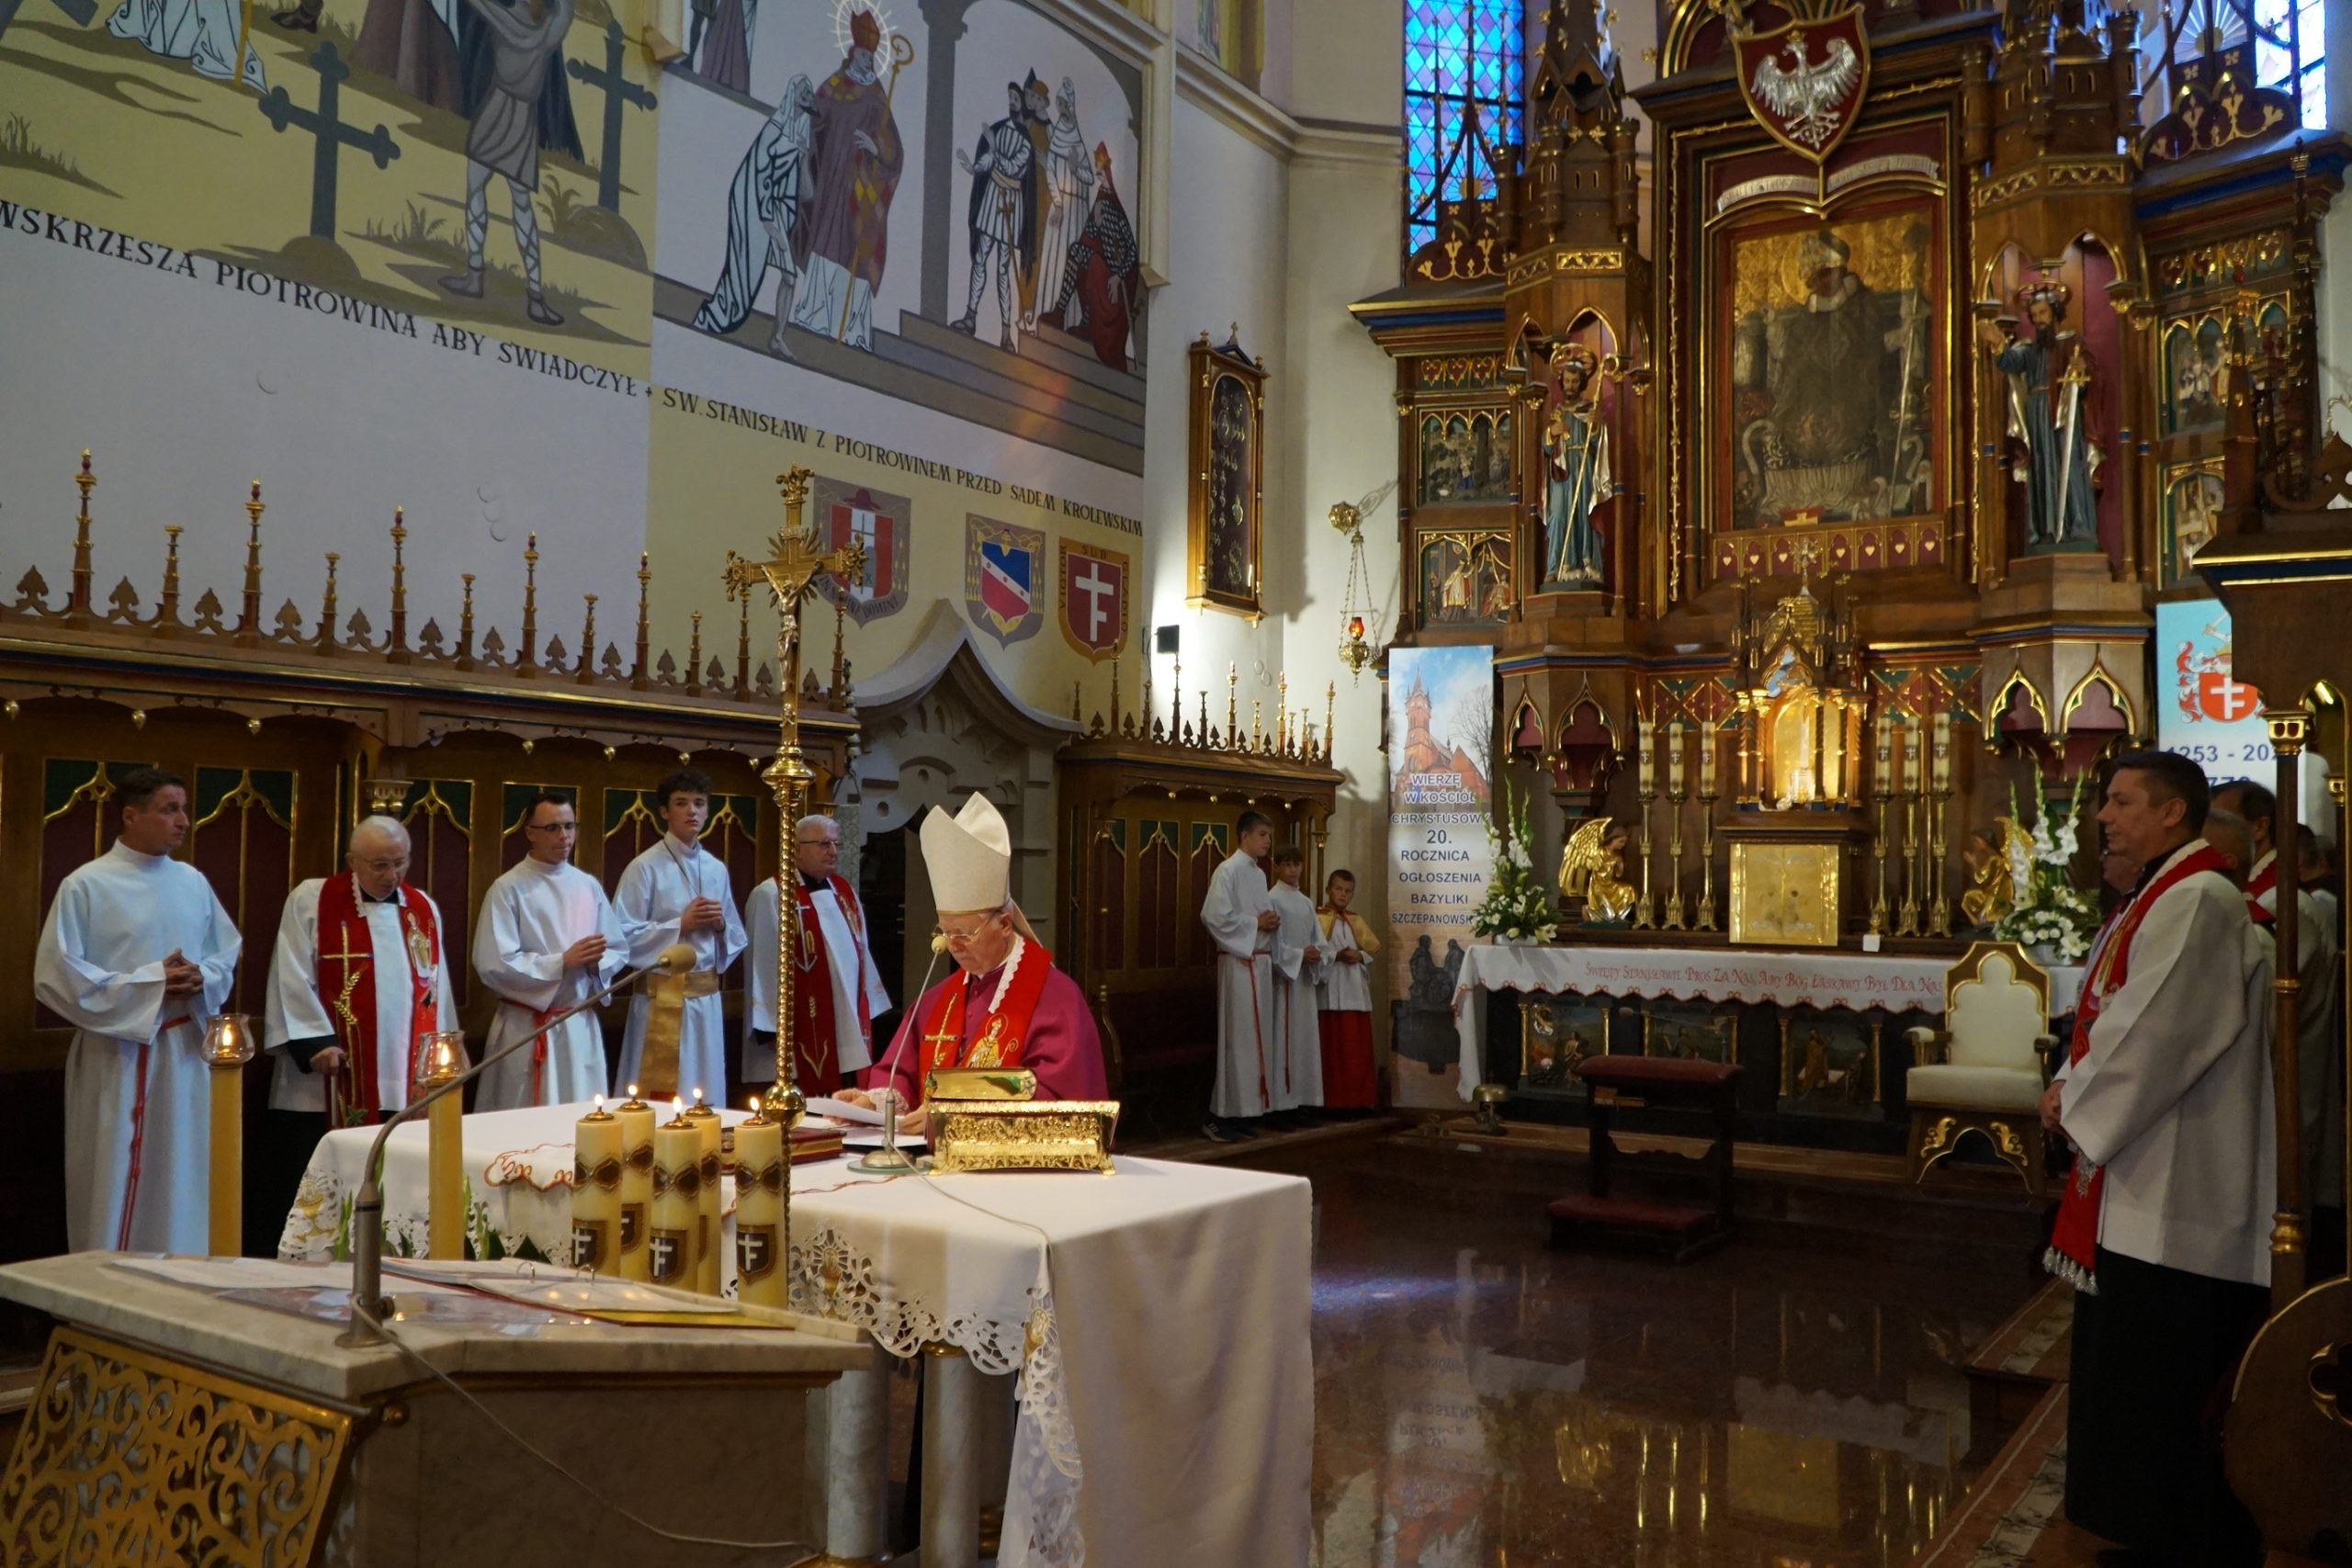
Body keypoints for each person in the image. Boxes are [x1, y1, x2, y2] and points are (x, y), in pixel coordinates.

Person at [2040, 751, 2273, 1566]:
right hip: (2143, 1167)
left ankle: (2181, 1542)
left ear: (2172, 812)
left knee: (2165, 1373)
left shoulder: (2198, 897)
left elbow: (2157, 1032)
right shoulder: (2161, 893)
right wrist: (2072, 1080)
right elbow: (2108, 1013)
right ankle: (2151, 1533)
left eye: (2120, 800)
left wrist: (2073, 1099)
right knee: (2136, 1373)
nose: (2103, 815)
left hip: (2179, 1180)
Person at [35, 768, 241, 1253]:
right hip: (116, 1055)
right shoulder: (86, 885)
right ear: (131, 816)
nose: (184, 821)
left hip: (184, 1053)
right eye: (170, 810)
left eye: (183, 809)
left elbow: (225, 952)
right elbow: (57, 975)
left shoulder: (192, 882)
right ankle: (107, 1280)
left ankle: (184, 1274)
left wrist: (201, 977)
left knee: (182, 1174)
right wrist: (152, 982)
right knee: (111, 1176)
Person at [842, 794, 1104, 1132]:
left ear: (1005, 925)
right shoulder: (936, 1001)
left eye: (964, 933)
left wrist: (955, 1116)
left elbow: (1057, 1100)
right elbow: (901, 1072)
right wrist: (877, 1103)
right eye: (945, 931)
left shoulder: (1056, 1000)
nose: (952, 945)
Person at [472, 791, 628, 1109]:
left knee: (582, 1118)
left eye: (569, 826)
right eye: (552, 828)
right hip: (527, 1028)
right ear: (530, 832)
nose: (564, 836)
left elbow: (616, 948)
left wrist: (596, 963)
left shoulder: (587, 885)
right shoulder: (508, 888)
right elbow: (493, 963)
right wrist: (561, 962)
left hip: (577, 1025)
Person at [440, 0, 576, 326]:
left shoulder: (511, 21)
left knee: (490, 194)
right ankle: (530, 295)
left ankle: (485, 279)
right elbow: (565, 11)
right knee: (508, 200)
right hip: (512, 114)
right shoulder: (547, 32)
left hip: (505, 112)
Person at [615, 770, 746, 1103]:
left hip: (705, 1001)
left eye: (699, 803)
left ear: (708, 810)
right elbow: (621, 937)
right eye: (681, 803)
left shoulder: (715, 868)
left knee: (703, 1087)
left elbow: (734, 936)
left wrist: (719, 926)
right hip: (660, 999)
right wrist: (680, 925)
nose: (692, 811)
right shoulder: (644, 867)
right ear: (664, 811)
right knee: (658, 1095)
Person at [744, 814, 891, 1097]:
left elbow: (862, 952)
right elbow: (762, 963)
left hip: (845, 1021)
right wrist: (770, 1025)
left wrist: (868, 1004)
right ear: (796, 849)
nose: (833, 851)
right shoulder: (772, 894)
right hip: (796, 1029)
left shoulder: (844, 891)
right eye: (824, 844)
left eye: (836, 843)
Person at [788, 8, 905, 351]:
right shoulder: (836, 85)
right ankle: (817, 315)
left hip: (861, 188)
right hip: (831, 181)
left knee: (857, 248)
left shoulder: (877, 95)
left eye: (873, 56)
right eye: (865, 55)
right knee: (826, 241)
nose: (870, 62)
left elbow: (894, 149)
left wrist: (876, 148)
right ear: (854, 52)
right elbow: (816, 116)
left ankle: (852, 329)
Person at [693, 76, 814, 355]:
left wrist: (804, 156)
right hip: (757, 208)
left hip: (778, 211)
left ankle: (777, 337)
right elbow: (759, 174)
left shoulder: (798, 136)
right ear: (793, 95)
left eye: (810, 94)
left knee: (790, 277)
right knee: (743, 274)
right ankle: (715, 316)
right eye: (803, 92)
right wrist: (768, 222)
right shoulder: (774, 129)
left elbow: (806, 193)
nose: (808, 97)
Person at [1982, 277, 2104, 550]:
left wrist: (2081, 369)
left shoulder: (2072, 342)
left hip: (2062, 415)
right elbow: (2010, 361)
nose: (2038, 320)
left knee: (2069, 468)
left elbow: (2092, 377)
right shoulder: (2029, 349)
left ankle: (2078, 528)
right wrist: (1998, 343)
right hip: (2037, 417)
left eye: (2043, 313)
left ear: (2055, 313)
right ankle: (2044, 530)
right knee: (2041, 472)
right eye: (2034, 315)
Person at [1201, 810, 1281, 1143]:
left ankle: (1245, 1112)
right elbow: (1213, 915)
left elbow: (1257, 917)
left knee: (1256, 1043)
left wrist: (1270, 923)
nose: (1267, 841)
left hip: (1259, 964)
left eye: (1269, 835)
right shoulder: (1228, 870)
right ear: (1244, 835)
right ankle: (1220, 1115)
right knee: (1238, 1042)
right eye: (1262, 834)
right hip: (1238, 965)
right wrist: (1255, 924)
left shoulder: (1259, 874)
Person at [952, 81, 1037, 351]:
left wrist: (993, 148)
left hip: (1010, 203)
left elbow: (1012, 167)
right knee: (980, 258)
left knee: (1003, 269)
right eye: (1010, 97)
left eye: (1016, 98)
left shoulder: (1026, 142)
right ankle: (970, 317)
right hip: (992, 198)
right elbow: (990, 158)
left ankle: (1005, 334)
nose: (1012, 102)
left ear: (1022, 105)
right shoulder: (999, 129)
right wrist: (975, 167)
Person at [1040, 143, 1140, 371]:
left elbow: (1132, 253)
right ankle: (1060, 311)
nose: (1099, 179)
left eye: (1101, 175)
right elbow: (1091, 239)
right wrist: (1096, 223)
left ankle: (1087, 322)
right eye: (1098, 175)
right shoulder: (1100, 206)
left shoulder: (1118, 214)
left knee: (1093, 262)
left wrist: (1118, 276)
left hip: (1114, 280)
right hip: (1101, 270)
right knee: (1078, 251)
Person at [1267, 846, 1325, 1127]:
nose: (1293, 870)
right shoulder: (1272, 899)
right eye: (1287, 864)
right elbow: (1271, 944)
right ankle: (1280, 1106)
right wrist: (1300, 956)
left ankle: (1301, 1101)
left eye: (1297, 864)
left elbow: (1318, 940)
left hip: (1304, 982)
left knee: (1304, 1042)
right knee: (1284, 1041)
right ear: (1277, 866)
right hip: (1284, 982)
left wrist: (1316, 954)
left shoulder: (1305, 902)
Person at [1316, 869, 1380, 1113]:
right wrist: (1336, 956)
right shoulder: (1317, 919)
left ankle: (1358, 1101)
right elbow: (1314, 953)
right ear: (1328, 890)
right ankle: (1333, 1104)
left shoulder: (1356, 920)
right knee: (1333, 1051)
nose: (1343, 894)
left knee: (1357, 1051)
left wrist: (1360, 956)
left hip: (1355, 991)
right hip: (1330, 990)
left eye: (1348, 891)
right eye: (1338, 889)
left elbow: (1370, 952)